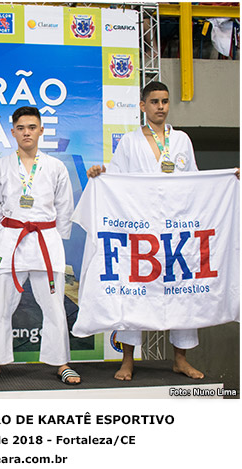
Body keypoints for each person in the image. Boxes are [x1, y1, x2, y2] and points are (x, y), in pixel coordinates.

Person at [87, 81, 222, 381]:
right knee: (133, 289)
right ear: (142, 106)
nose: (161, 106)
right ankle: (127, 360)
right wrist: (101, 172)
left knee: (182, 289)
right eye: (154, 101)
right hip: (140, 226)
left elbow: (195, 180)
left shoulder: (182, 140)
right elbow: (117, 176)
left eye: (165, 101)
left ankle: (180, 359)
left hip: (177, 227)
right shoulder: (130, 141)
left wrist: (227, 180)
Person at [0, 106, 80, 385]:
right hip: (11, 241)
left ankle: (61, 363)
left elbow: (65, 207)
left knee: (54, 306)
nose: (27, 133)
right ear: (13, 132)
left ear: (41, 130)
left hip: (45, 241)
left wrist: (57, 239)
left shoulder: (55, 167)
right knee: (1, 306)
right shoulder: (0, 167)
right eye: (21, 128)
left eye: (32, 127)